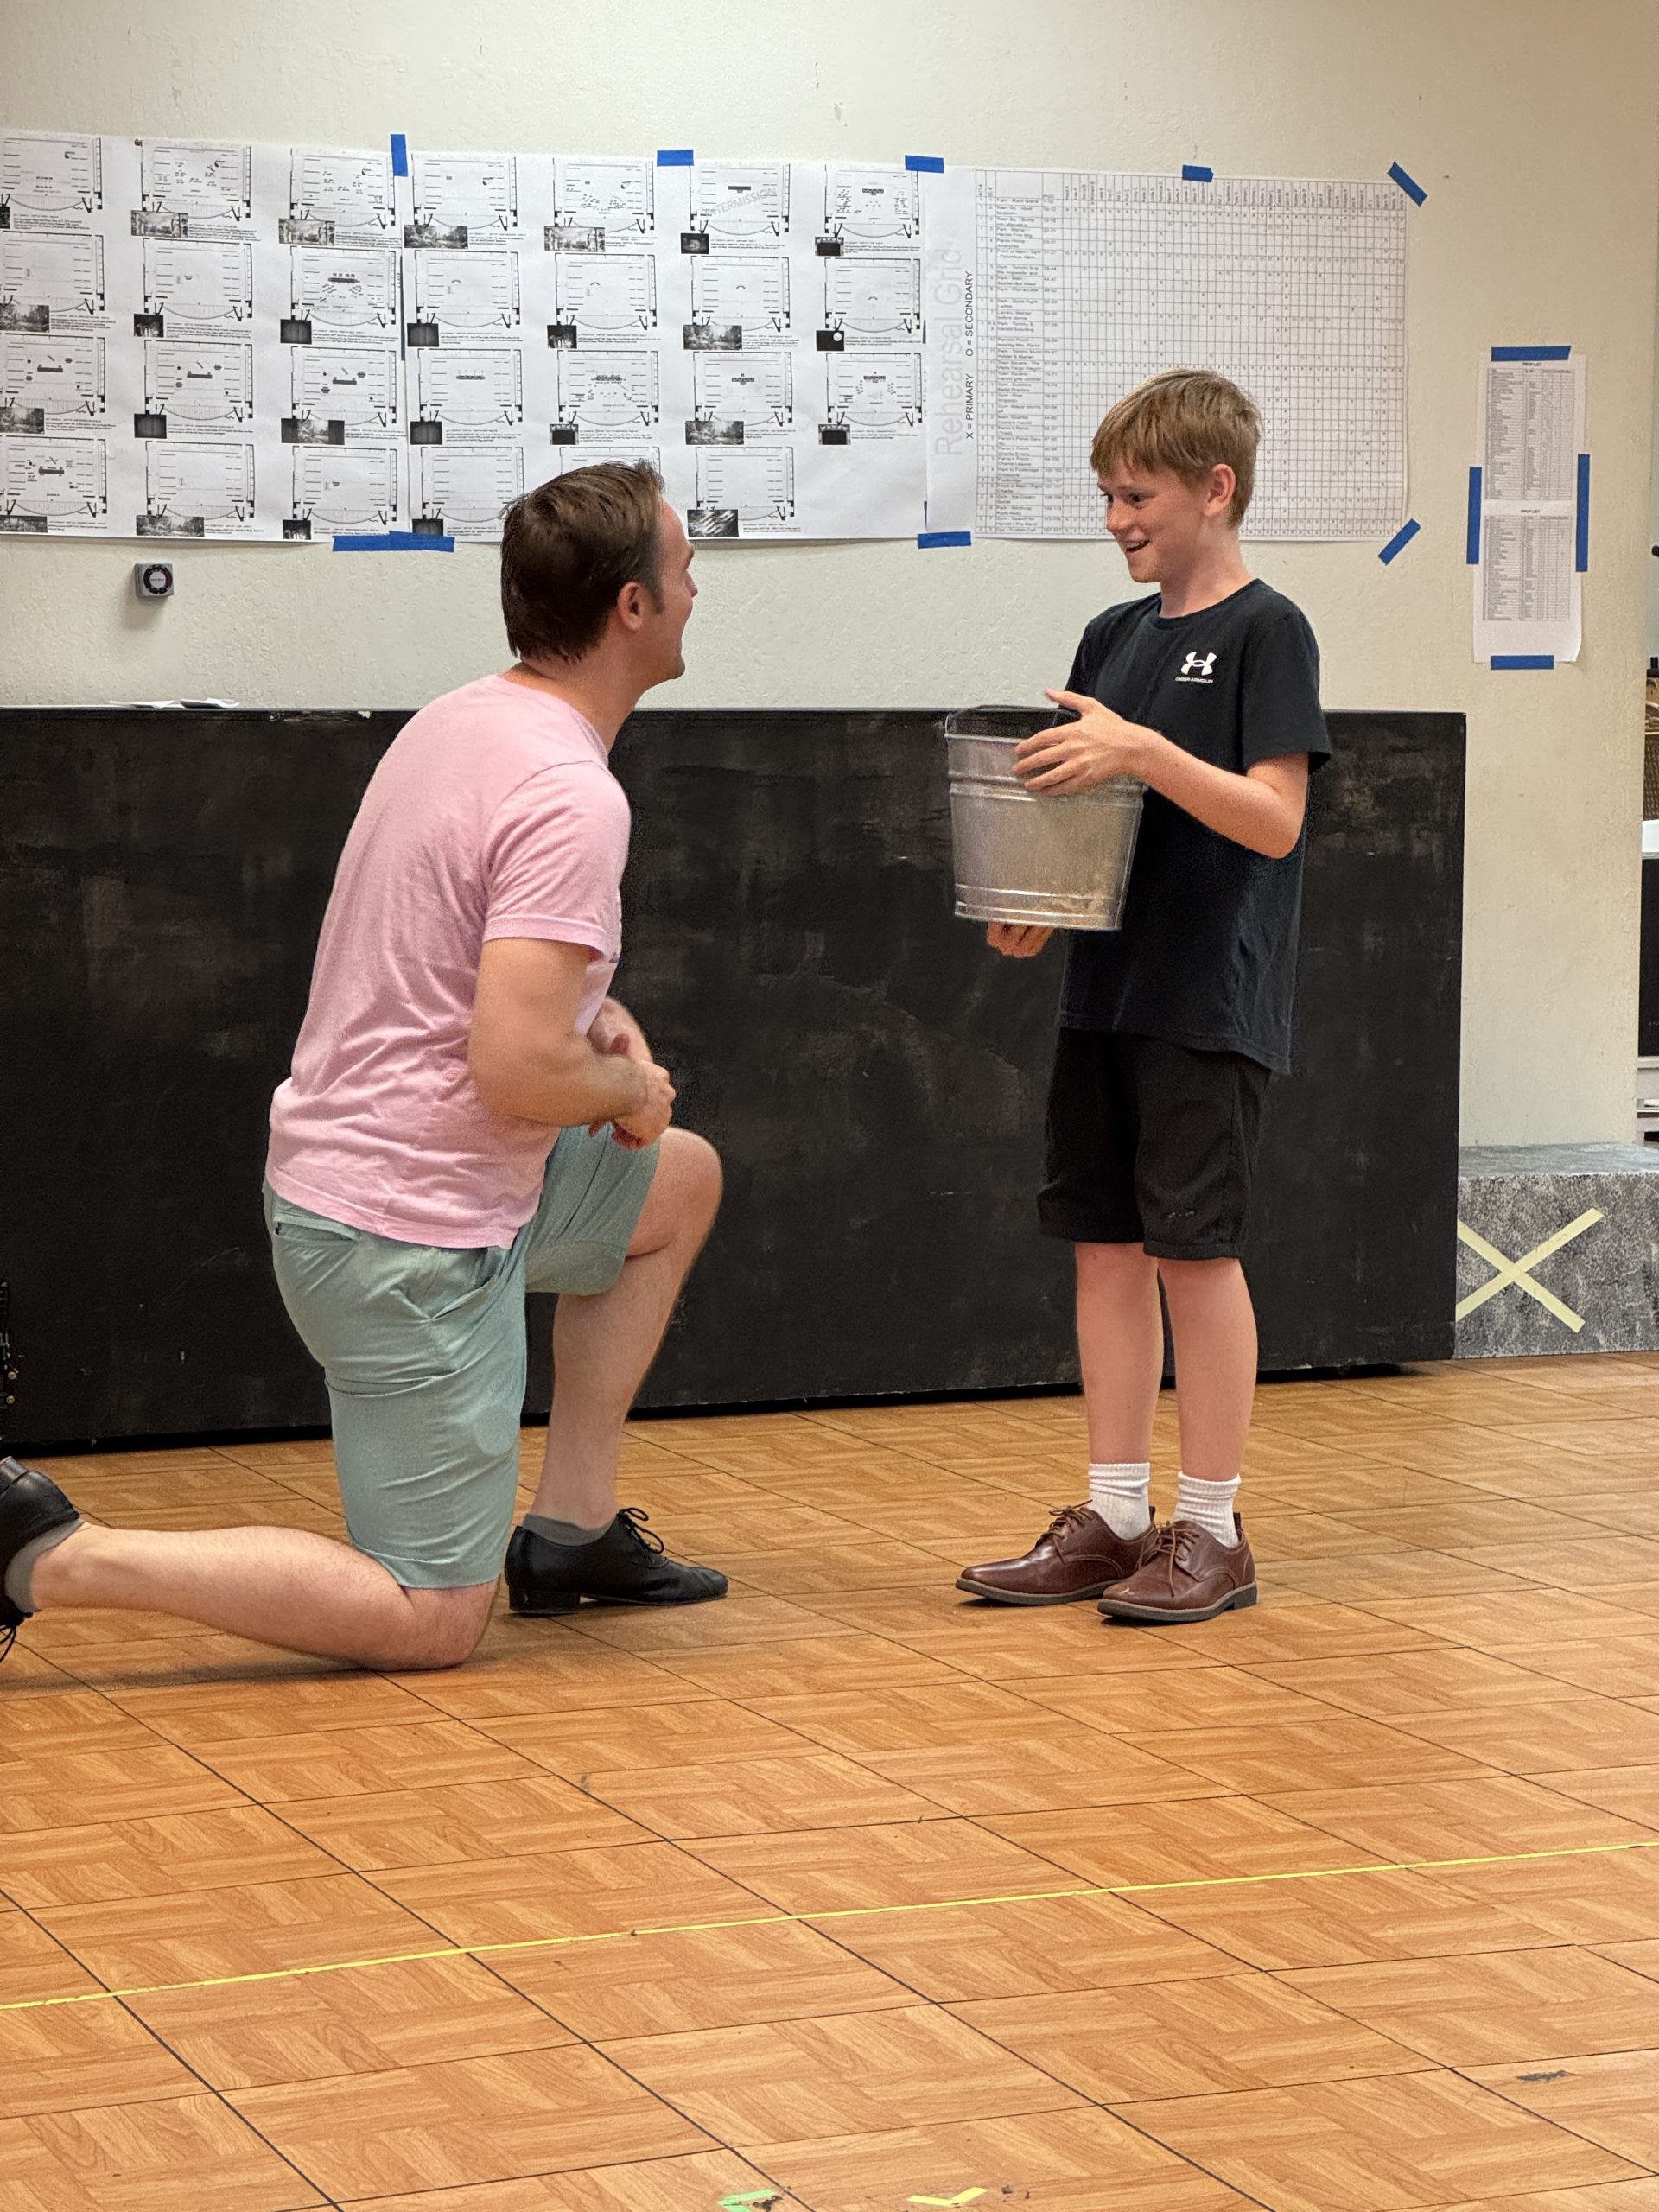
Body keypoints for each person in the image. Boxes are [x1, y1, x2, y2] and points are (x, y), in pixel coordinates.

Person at [0, 461, 728, 1671]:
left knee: (678, 1183)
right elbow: (513, 1068)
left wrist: (601, 1035)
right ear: (631, 609)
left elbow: (484, 979)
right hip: (408, 1240)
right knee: (430, 1616)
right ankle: (42, 1552)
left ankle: (575, 1532)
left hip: (377, 1188)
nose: (697, 589)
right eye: (683, 568)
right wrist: (625, 1091)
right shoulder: (569, 793)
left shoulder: (469, 718)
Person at [957, 371, 1329, 1624]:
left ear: (1215, 491)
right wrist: (1032, 906)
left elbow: (1275, 820)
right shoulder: (1111, 641)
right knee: (1107, 1248)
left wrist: (1145, 749)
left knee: (1193, 1251)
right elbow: (1083, 828)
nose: (1117, 519)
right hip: (1104, 997)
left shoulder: (1270, 631)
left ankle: (1212, 1528)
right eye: (1108, 496)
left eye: (1138, 495)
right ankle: (1116, 1514)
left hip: (1204, 1001)